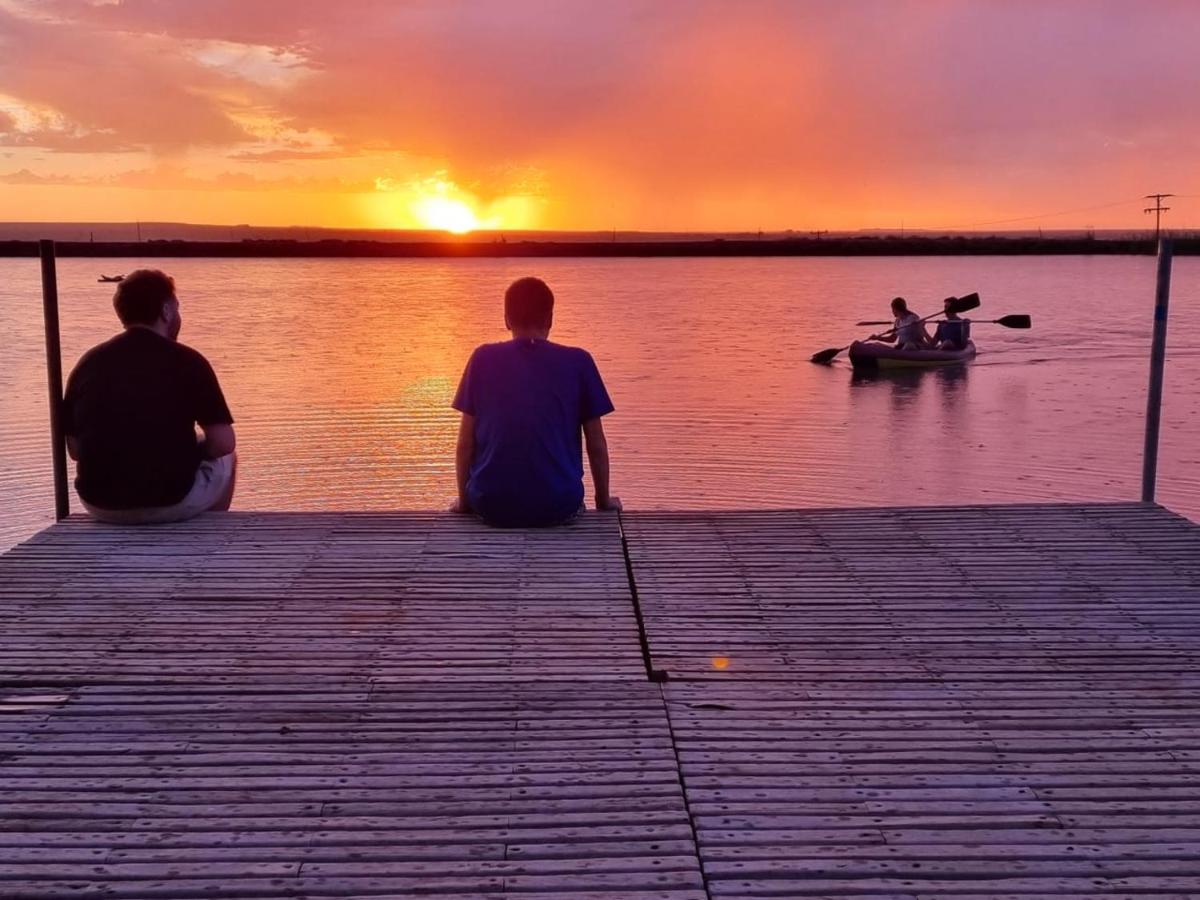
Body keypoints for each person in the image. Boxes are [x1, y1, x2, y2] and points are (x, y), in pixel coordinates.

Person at [63, 269, 237, 524]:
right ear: (166, 311)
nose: (179, 315)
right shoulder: (188, 361)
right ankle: (207, 535)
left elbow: (76, 450)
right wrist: (192, 453)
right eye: (177, 308)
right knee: (227, 457)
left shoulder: (87, 363)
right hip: (169, 501)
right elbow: (223, 443)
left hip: (100, 504)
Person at [451, 276, 620, 527]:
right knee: (570, 502)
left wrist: (464, 502)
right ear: (549, 319)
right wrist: (603, 500)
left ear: (506, 319)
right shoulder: (579, 362)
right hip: (559, 506)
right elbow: (596, 444)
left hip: (491, 505)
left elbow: (466, 443)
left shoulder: (482, 359)